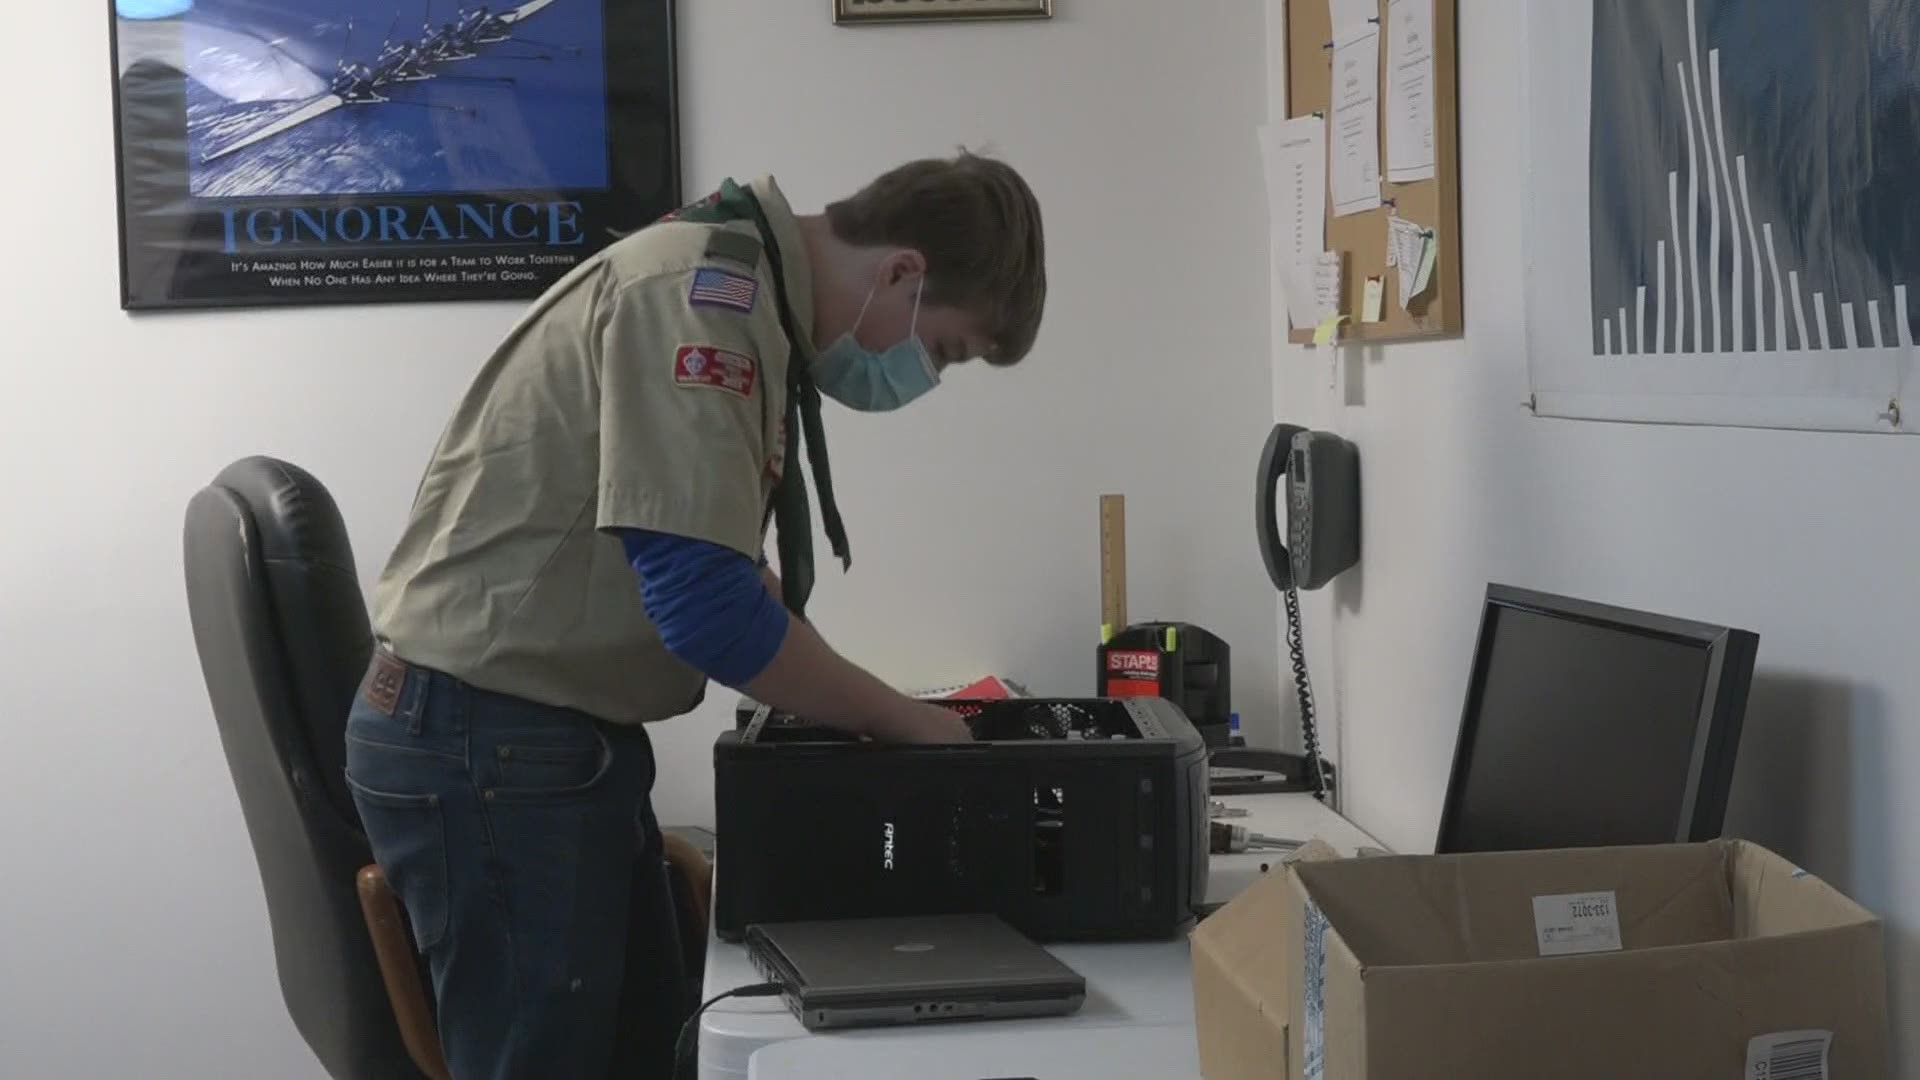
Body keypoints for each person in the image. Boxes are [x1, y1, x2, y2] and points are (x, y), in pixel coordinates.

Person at [342, 151, 1047, 1079]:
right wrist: (909, 723)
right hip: (493, 745)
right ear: (903, 272)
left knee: (657, 1052)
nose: (924, 374)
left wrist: (878, 710)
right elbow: (708, 612)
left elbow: (734, 585)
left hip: (532, 740)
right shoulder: (701, 299)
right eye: (944, 350)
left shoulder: (741, 297)